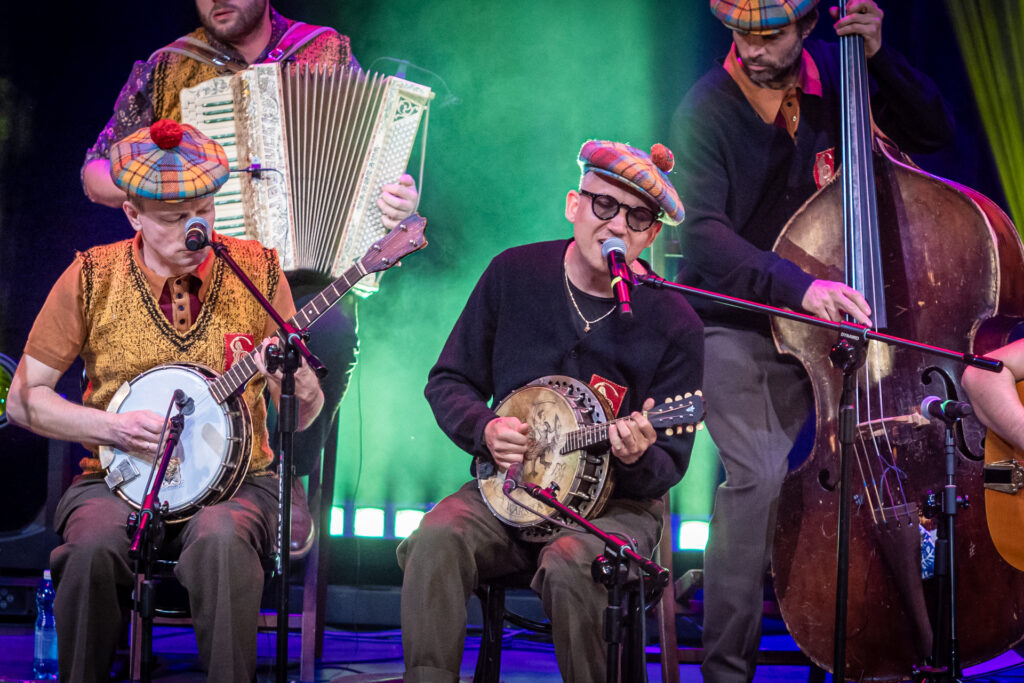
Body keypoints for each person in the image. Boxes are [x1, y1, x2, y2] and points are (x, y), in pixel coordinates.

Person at [669, 1, 954, 680]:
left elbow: (935, 131)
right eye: (739, 34)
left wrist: (880, 54)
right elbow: (702, 238)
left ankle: (893, 644)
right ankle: (726, 668)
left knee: (903, 465)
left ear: (807, 28)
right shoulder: (705, 108)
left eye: (768, 36)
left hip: (839, 329)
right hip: (739, 325)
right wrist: (798, 286)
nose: (750, 50)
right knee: (759, 477)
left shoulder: (841, 74)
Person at [80, 0, 420, 540]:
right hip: (193, 267)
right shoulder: (169, 66)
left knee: (328, 327)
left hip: (298, 271)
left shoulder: (323, 51)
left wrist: (397, 198)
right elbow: (96, 172)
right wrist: (171, 185)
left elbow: (373, 159)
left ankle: (288, 471)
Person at [7, 120, 324, 683]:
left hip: (238, 480)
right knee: (88, 553)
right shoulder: (91, 276)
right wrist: (113, 428)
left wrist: (298, 387)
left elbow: (296, 417)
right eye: (176, 220)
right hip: (116, 476)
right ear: (133, 214)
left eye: (204, 212)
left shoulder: (259, 270)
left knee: (223, 544)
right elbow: (24, 400)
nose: (195, 231)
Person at [397, 140, 704, 681]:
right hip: (508, 491)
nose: (616, 227)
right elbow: (448, 381)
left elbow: (670, 462)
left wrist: (635, 455)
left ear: (652, 235)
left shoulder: (674, 322)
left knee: (570, 563)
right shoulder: (514, 274)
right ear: (573, 204)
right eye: (604, 205)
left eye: (636, 218)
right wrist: (485, 428)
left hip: (612, 511)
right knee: (436, 538)